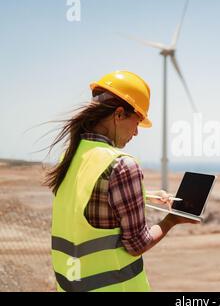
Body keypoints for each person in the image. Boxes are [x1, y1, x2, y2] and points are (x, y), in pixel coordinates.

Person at [45, 70, 197, 292]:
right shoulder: (122, 165)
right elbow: (137, 244)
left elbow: (90, 200)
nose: (136, 133)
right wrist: (171, 220)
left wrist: (146, 194)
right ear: (119, 114)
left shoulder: (70, 158)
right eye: (137, 122)